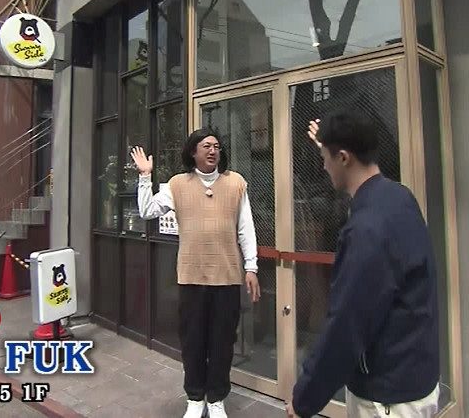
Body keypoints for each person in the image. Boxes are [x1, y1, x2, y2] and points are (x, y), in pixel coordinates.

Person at [287, 111, 440, 418]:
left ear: (344, 157)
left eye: (325, 158)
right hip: (415, 378)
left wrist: (304, 399)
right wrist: (328, 141)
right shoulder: (399, 197)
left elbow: (346, 326)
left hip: (386, 398)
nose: (323, 166)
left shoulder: (366, 230)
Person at [131, 129, 261, 418]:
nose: (213, 151)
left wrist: (251, 266)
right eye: (206, 146)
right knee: (193, 341)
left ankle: (216, 399)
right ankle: (195, 398)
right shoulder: (178, 184)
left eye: (216, 146)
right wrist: (145, 176)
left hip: (226, 277)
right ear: (193, 152)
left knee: (222, 342)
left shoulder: (235, 182)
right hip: (191, 277)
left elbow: (246, 228)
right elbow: (147, 211)